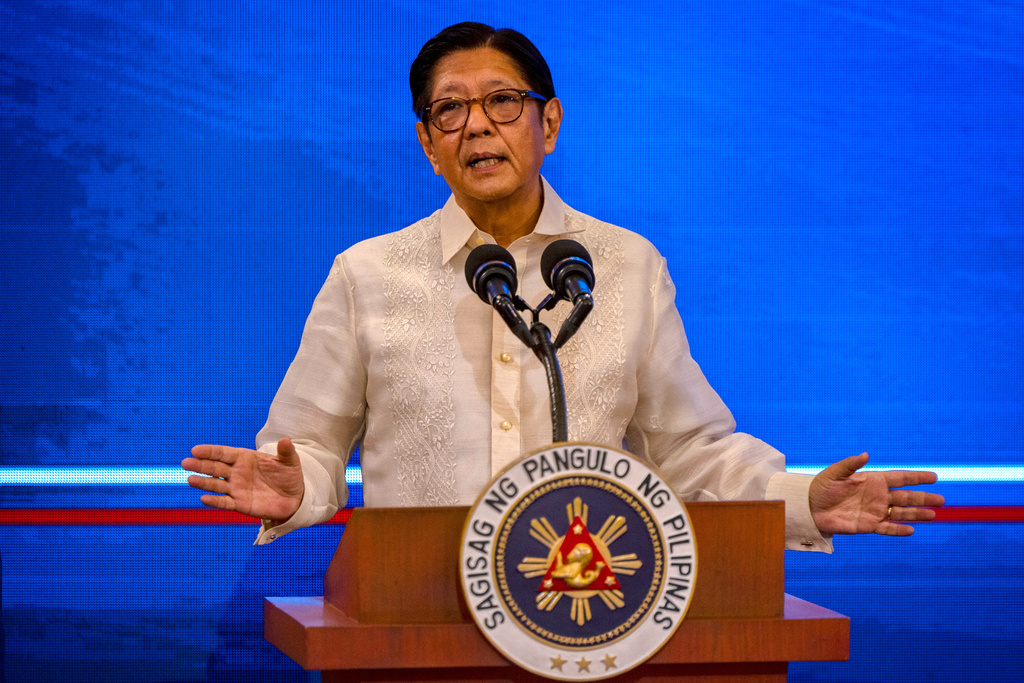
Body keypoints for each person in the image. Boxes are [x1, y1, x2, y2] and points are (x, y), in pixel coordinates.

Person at [182, 22, 943, 551]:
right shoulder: (368, 273)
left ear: (548, 122)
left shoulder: (626, 265)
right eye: (449, 110)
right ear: (427, 144)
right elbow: (311, 445)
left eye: (501, 102)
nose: (476, 126)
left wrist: (799, 498)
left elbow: (690, 449)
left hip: (593, 607)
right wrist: (299, 486)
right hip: (416, 612)